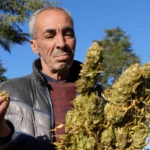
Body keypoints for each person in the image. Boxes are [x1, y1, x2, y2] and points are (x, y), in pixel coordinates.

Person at [0, 6, 103, 150]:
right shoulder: (11, 92)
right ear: (35, 46)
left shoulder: (102, 96)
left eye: (68, 34)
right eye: (50, 36)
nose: (61, 43)